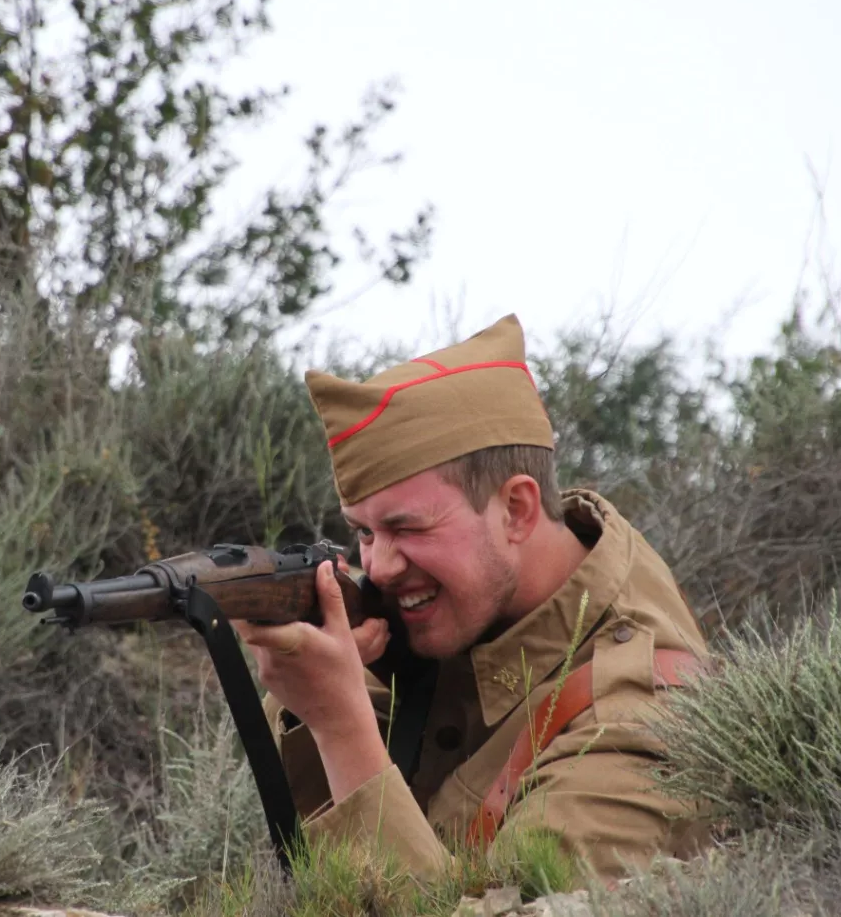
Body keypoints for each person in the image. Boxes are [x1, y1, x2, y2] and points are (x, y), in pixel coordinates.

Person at [235, 315, 711, 880]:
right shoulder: (471, 603)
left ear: (516, 509)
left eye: (408, 528)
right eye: (364, 533)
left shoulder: (636, 716)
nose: (379, 568)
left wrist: (340, 722)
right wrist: (330, 682)